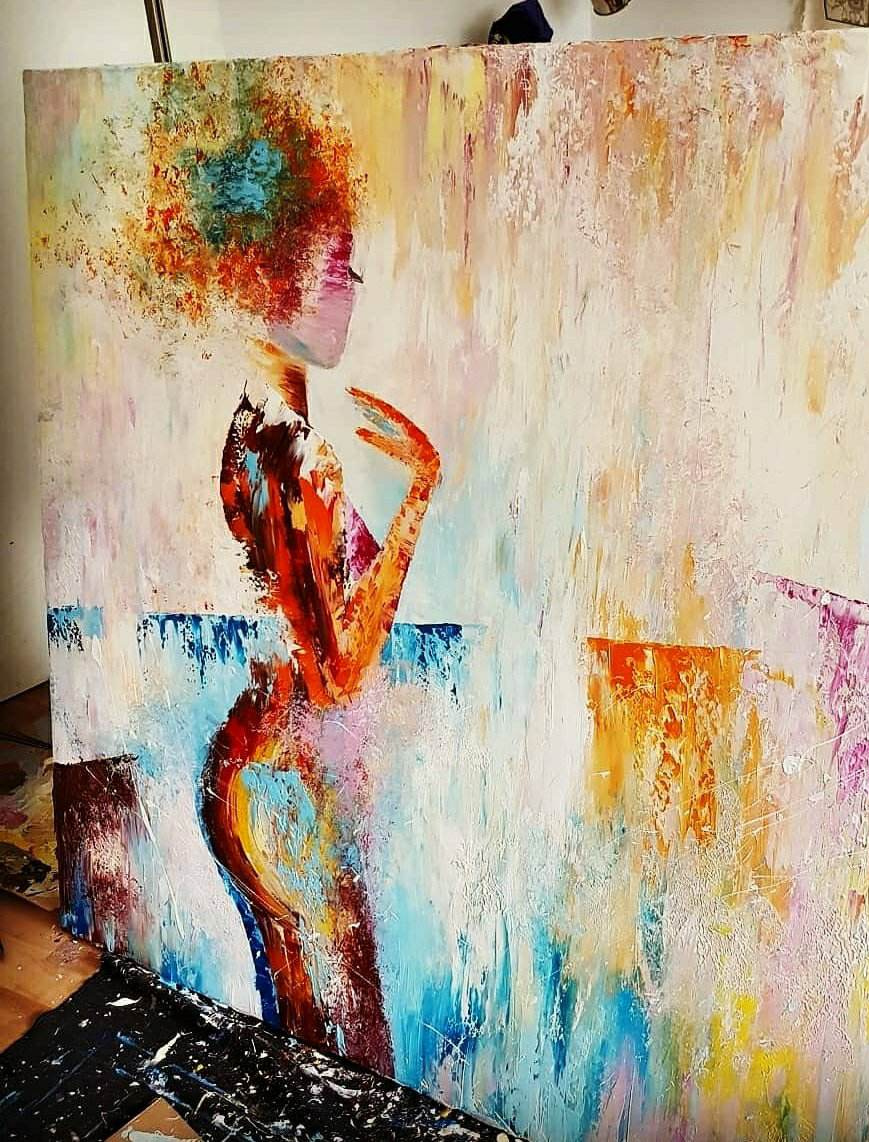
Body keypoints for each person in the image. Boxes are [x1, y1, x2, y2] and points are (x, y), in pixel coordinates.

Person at [130, 64, 439, 1070]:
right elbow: (339, 673)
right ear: (275, 273)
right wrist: (420, 495)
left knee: (310, 1046)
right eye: (340, 266)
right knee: (353, 1053)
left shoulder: (262, 433)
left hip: (259, 775)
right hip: (285, 785)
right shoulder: (284, 452)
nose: (355, 289)